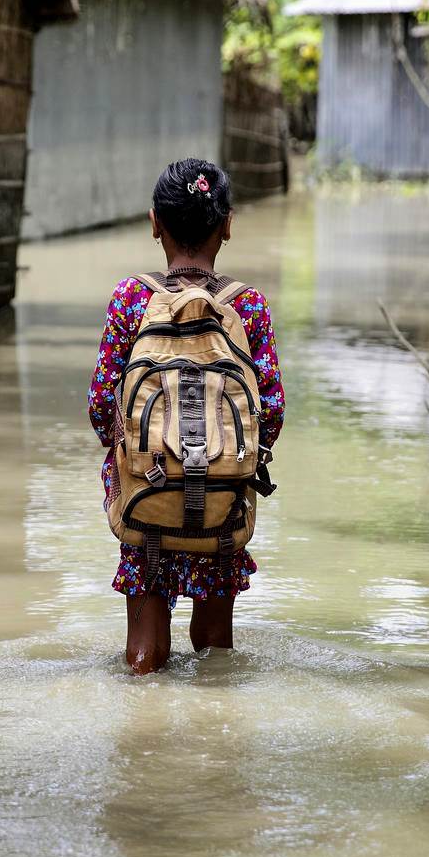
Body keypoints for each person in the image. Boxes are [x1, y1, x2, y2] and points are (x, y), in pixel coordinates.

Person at [87, 158, 285, 675]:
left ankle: (143, 728)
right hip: (222, 500)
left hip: (145, 492)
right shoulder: (249, 307)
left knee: (145, 650)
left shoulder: (132, 299)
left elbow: (100, 405)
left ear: (155, 223)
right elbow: (273, 412)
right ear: (227, 225)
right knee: (215, 651)